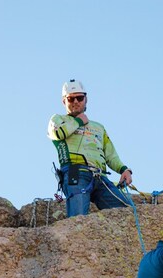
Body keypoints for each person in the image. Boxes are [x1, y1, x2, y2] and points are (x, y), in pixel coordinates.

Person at [48, 79, 133, 217]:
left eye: (79, 98)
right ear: (64, 101)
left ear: (86, 99)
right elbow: (58, 133)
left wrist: (124, 170)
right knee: (78, 216)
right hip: (75, 172)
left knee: (127, 212)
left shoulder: (98, 127)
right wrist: (79, 121)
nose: (76, 102)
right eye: (71, 99)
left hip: (100, 176)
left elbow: (110, 155)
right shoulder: (57, 119)